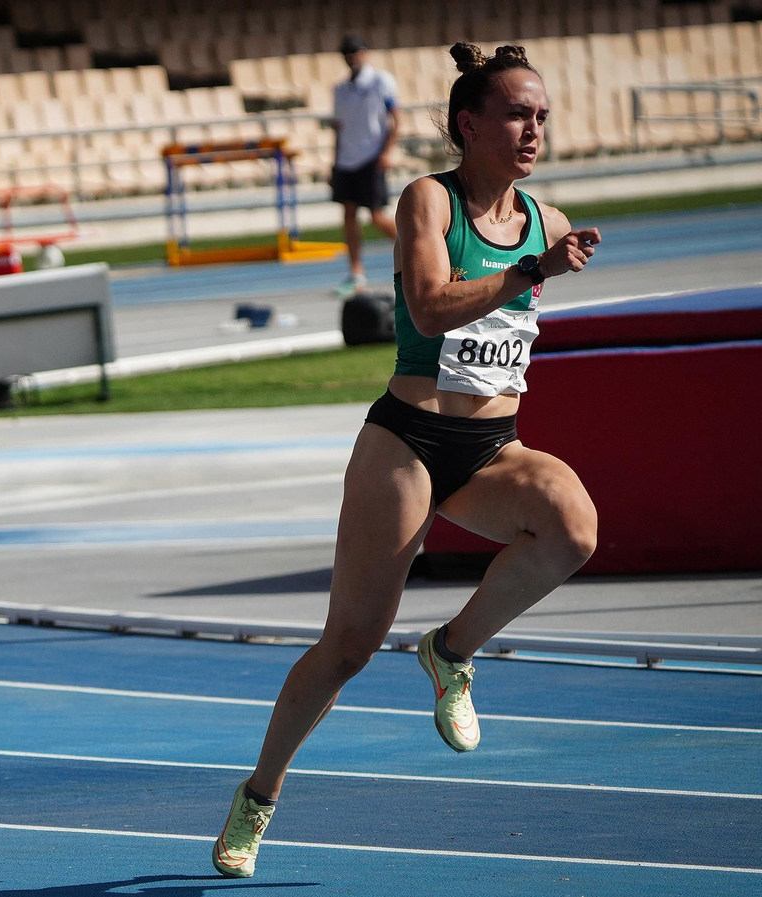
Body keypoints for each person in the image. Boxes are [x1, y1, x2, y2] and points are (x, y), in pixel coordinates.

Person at [212, 43, 602, 878]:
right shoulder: (428, 199)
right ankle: (259, 794)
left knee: (573, 528)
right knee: (349, 644)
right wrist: (529, 271)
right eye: (516, 113)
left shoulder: (550, 221)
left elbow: (505, 327)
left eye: (541, 116)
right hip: (407, 438)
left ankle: (453, 651)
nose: (533, 129)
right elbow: (429, 304)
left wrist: (539, 259)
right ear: (469, 123)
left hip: (494, 445)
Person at [331, 35, 401, 298]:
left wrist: (386, 150)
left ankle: (418, 250)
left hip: (371, 156)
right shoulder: (340, 89)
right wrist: (333, 162)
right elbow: (338, 129)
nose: (351, 58)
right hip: (346, 159)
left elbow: (396, 118)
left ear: (364, 53)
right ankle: (356, 272)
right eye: (347, 53)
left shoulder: (380, 81)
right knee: (349, 216)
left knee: (377, 215)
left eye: (354, 52)